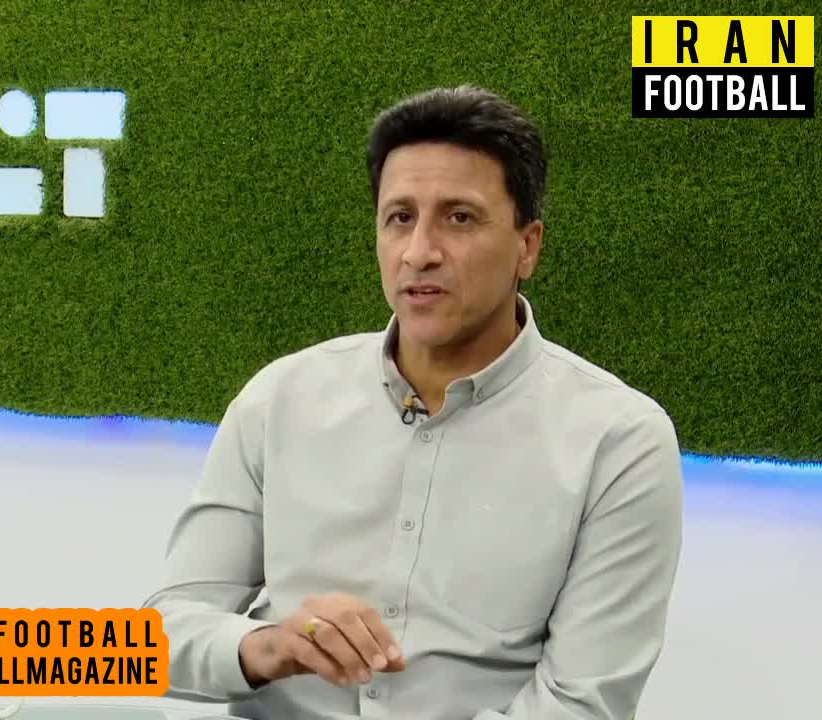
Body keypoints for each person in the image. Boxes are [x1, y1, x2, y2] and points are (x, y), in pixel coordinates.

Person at [142, 85, 684, 720]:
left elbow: (579, 706)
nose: (419, 252)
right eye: (400, 217)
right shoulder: (280, 399)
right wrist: (265, 646)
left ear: (528, 246)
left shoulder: (619, 441)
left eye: (460, 218)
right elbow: (161, 637)